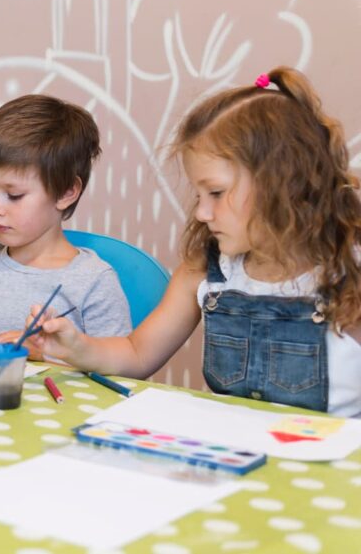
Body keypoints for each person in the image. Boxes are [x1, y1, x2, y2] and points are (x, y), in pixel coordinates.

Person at [28, 68, 361, 416]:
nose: (201, 212)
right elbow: (137, 353)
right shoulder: (205, 270)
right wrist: (76, 348)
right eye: (199, 194)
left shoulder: (348, 272)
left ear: (281, 183)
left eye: (215, 193)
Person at [0, 95, 132, 352]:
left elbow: (117, 374)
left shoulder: (95, 282)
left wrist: (43, 355)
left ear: (66, 192)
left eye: (14, 195)